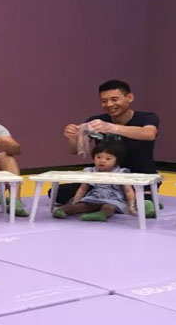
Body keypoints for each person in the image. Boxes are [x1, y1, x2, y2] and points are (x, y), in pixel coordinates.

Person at [62, 80, 160, 214]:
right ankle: (112, 201)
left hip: (138, 178)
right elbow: (74, 150)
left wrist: (113, 128)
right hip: (105, 180)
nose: (109, 104)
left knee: (145, 205)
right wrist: (73, 136)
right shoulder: (96, 121)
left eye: (114, 99)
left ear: (129, 97)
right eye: (104, 101)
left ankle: (113, 201)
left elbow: (149, 134)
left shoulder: (147, 117)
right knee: (58, 193)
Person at [53, 141, 137, 221]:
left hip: (114, 199)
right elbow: (83, 189)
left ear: (117, 161)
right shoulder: (91, 171)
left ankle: (101, 215)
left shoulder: (121, 173)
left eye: (108, 158)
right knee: (82, 206)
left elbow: (128, 191)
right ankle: (64, 210)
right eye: (98, 157)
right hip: (95, 196)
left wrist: (131, 206)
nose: (102, 161)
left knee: (108, 208)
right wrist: (75, 201)